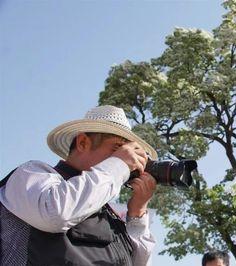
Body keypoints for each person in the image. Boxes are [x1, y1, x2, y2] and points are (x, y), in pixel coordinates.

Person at [0, 105, 158, 266]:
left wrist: (137, 213)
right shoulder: (32, 173)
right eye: (118, 148)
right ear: (82, 143)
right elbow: (57, 214)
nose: (129, 159)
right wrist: (118, 165)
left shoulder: (107, 212)